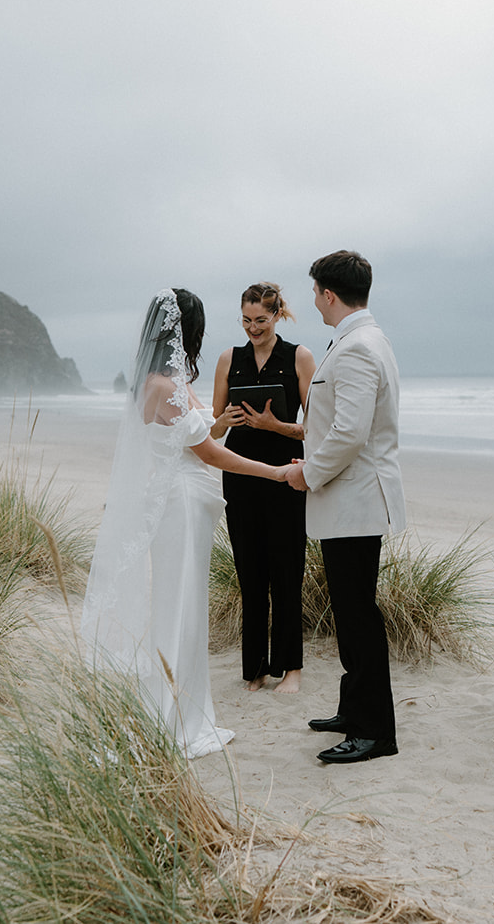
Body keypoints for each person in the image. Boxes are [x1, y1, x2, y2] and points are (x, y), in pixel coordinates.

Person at [81, 287, 291, 759]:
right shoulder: (162, 386)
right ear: (183, 332)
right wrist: (276, 472)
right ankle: (170, 719)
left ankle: (186, 712)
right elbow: (209, 452)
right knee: (178, 610)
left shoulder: (171, 382)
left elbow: (200, 435)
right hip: (178, 505)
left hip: (190, 503)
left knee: (187, 608)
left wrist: (220, 422)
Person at [286, 250, 406, 764]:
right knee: (350, 611)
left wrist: (306, 473)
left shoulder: (357, 347)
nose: (313, 301)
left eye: (315, 292)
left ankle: (375, 731)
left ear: (328, 293)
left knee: (358, 614)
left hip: (353, 502)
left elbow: (351, 432)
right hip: (349, 501)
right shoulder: (362, 339)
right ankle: (354, 708)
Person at [210, 282, 317, 694]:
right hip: (239, 475)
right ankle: (254, 668)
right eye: (246, 320)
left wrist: (277, 426)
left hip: (287, 473)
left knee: (287, 571)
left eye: (261, 320)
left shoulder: (299, 357)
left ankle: (291, 669)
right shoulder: (228, 359)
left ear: (277, 315)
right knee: (249, 573)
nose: (253, 328)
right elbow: (213, 428)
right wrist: (227, 421)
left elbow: (315, 427)